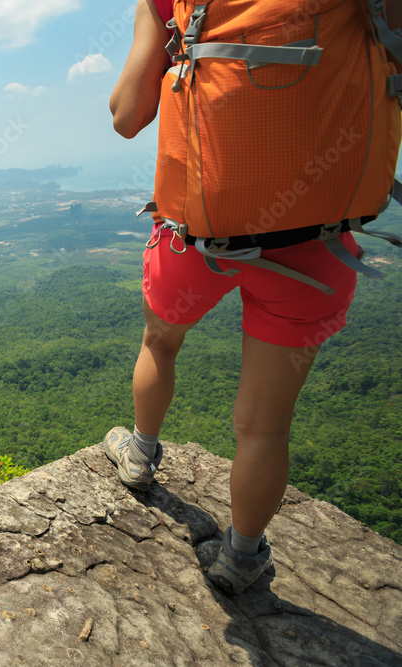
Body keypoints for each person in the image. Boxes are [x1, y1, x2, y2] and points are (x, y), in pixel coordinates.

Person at [103, 0, 402, 595]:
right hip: (316, 246)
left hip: (196, 236)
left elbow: (126, 115)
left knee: (160, 342)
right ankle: (241, 558)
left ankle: (139, 457)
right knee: (265, 426)